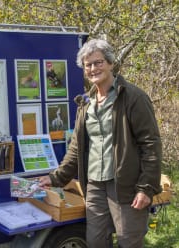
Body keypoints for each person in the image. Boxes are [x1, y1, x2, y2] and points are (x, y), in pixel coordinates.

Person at [39, 39, 162, 248]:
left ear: (111, 63)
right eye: (88, 65)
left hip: (125, 184)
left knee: (128, 241)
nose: (93, 68)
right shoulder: (86, 103)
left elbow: (151, 144)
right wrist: (56, 177)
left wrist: (146, 187)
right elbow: (76, 148)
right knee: (96, 242)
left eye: (98, 62)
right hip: (94, 184)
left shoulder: (133, 97)